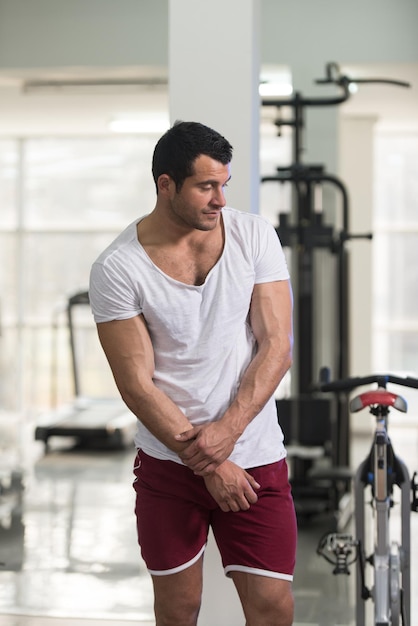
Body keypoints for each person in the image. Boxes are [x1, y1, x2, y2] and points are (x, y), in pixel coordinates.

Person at [89, 120, 297, 626]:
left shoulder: (253, 236)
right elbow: (136, 384)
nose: (220, 199)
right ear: (166, 185)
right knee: (179, 610)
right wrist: (208, 463)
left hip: (253, 457)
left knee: (272, 608)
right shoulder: (119, 268)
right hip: (170, 464)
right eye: (206, 186)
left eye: (223, 184)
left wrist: (225, 439)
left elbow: (276, 346)